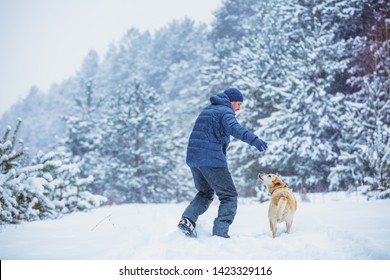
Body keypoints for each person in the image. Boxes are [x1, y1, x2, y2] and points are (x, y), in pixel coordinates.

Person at [178, 88, 268, 238]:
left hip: (194, 159)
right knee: (229, 196)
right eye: (238, 104)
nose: (239, 108)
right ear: (231, 101)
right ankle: (220, 234)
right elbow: (235, 128)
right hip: (211, 160)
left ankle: (187, 220)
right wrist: (254, 140)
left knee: (205, 193)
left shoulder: (209, 110)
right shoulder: (225, 112)